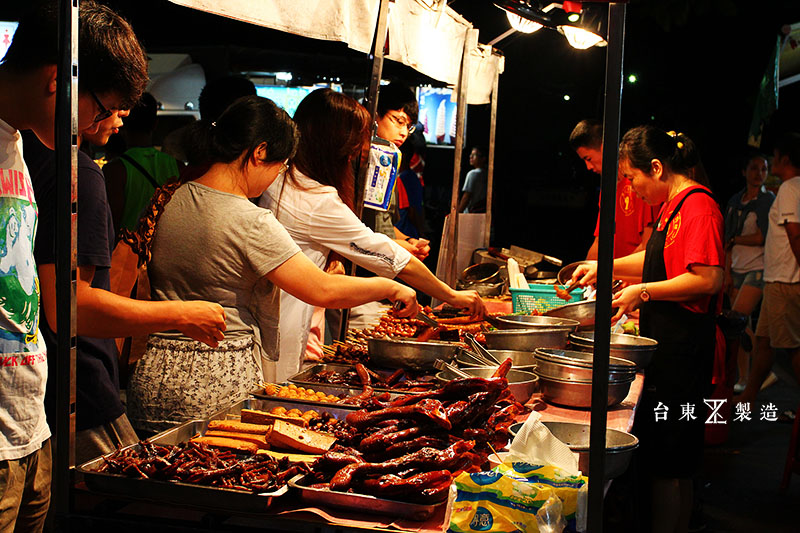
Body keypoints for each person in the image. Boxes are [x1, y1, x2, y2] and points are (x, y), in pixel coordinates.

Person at [124, 95, 418, 432]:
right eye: (281, 165)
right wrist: (391, 286)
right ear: (260, 152)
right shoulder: (250, 221)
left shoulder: (169, 196)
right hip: (218, 380)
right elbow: (322, 289)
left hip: (152, 374)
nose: (279, 175)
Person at [0, 1, 148, 529]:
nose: (103, 121)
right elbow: (68, 302)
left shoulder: (18, 145)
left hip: (29, 425)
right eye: (102, 105)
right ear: (59, 80)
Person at [26, 104, 227, 463]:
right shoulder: (81, 174)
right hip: (78, 385)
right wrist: (180, 314)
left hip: (43, 387)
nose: (121, 117)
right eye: (113, 104)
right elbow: (71, 306)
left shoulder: (22, 152)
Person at [259, 88, 485, 381]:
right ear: (336, 145)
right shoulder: (316, 199)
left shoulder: (280, 177)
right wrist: (450, 295)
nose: (361, 150)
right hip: (282, 327)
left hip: (272, 320)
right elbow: (389, 256)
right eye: (356, 142)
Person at [572, 126, 723, 533]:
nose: (630, 188)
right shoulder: (672, 206)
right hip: (669, 350)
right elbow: (656, 261)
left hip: (685, 352)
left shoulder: (698, 207)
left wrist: (644, 293)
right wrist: (603, 268)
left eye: (632, 178)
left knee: (674, 465)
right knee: (666, 463)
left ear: (655, 168)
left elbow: (708, 279)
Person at [734, 132, 800, 412]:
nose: (770, 164)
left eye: (772, 158)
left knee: (792, 346)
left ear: (784, 158)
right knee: (764, 342)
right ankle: (748, 396)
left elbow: (795, 235)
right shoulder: (791, 187)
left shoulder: (789, 188)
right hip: (777, 278)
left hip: (785, 280)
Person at [723, 149, 775, 393]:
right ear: (744, 171)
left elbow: (763, 237)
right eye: (754, 168)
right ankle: (744, 377)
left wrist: (736, 240)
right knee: (741, 326)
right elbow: (726, 240)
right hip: (736, 268)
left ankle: (764, 370)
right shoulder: (735, 201)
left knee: (739, 318)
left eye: (763, 169)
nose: (759, 174)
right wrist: (726, 270)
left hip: (757, 268)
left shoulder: (767, 201)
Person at [569, 119, 658, 260]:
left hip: (632, 279)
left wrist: (614, 272)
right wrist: (582, 272)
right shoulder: (607, 188)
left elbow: (647, 247)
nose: (588, 167)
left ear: (605, 148)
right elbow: (599, 241)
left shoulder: (641, 185)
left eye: (589, 158)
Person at [368, 82, 430, 260]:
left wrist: (410, 241)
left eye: (408, 126)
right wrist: (400, 246)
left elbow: (385, 227)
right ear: (376, 115)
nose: (403, 132)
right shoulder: (361, 161)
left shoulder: (389, 166)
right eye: (398, 121)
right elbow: (361, 232)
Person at [103, 92, 180, 235]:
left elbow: (111, 224)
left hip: (129, 253)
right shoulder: (178, 167)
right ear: (155, 124)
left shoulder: (115, 171)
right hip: (163, 252)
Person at [458, 146, 488, 213]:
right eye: (471, 154)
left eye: (474, 155)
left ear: (483, 158)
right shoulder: (487, 174)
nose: (470, 157)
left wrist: (458, 213)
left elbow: (466, 197)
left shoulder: (472, 174)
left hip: (471, 213)